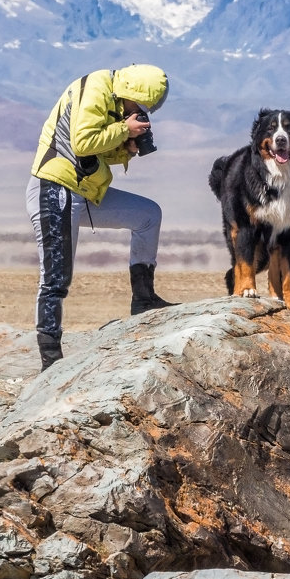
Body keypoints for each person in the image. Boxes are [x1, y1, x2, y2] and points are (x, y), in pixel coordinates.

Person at [26, 63, 176, 371]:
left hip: (85, 191)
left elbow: (95, 153)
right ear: (129, 93)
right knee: (56, 277)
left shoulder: (113, 103)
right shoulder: (95, 89)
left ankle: (143, 299)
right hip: (55, 188)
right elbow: (82, 143)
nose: (139, 113)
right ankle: (50, 360)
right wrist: (124, 130)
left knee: (148, 215)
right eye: (140, 107)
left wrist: (126, 150)